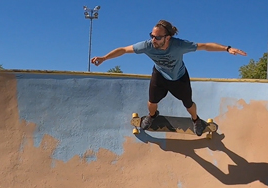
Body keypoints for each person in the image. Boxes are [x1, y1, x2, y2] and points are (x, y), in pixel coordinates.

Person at [91, 20, 247, 136]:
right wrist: (104, 58)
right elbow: (124, 50)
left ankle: (195, 120)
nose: (154, 40)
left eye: (157, 38)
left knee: (188, 104)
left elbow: (205, 46)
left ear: (168, 38)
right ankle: (152, 116)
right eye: (152, 36)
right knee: (152, 103)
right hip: (159, 76)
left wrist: (227, 48)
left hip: (179, 77)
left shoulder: (180, 45)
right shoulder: (147, 46)